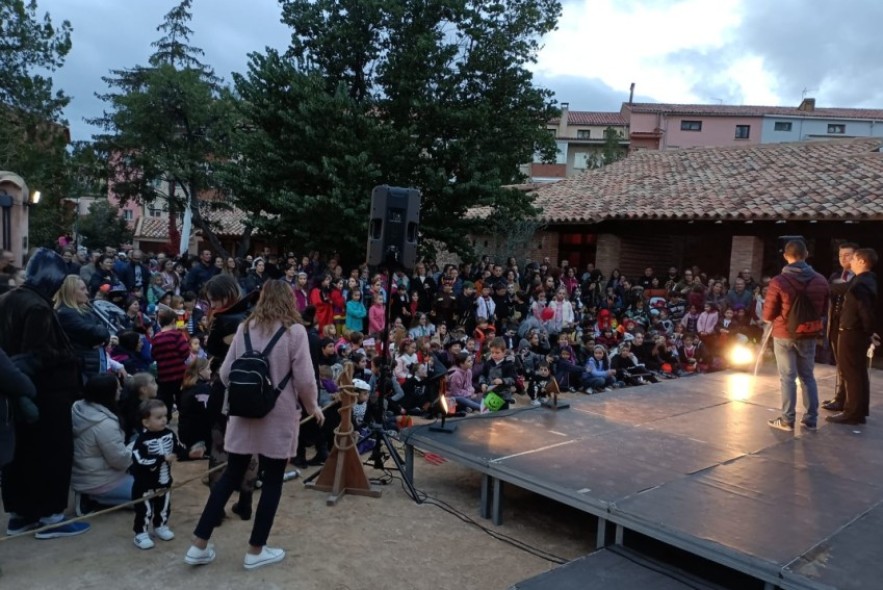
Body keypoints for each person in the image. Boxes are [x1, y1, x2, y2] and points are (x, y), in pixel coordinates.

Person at [184, 279, 324, 569]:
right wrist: (313, 407)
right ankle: (255, 550)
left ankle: (198, 545)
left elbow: (224, 375)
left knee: (231, 475)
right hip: (279, 414)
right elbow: (306, 380)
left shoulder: (245, 328)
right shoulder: (295, 331)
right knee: (272, 481)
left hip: (242, 413)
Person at [0, 248, 90, 538]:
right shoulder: (37, 307)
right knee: (53, 454)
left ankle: (20, 515)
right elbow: (36, 354)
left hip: (17, 392)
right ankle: (52, 517)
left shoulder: (7, 300)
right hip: (46, 395)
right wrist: (68, 355)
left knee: (21, 455)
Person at [763, 240, 829, 431]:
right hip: (808, 333)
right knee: (808, 376)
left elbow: (768, 315)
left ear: (785, 256)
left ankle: (787, 419)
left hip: (784, 333)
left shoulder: (778, 282)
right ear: (806, 254)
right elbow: (824, 310)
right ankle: (810, 419)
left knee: (787, 378)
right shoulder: (820, 280)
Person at [131, 399, 193, 549]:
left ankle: (160, 526)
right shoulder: (142, 440)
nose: (164, 419)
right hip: (144, 484)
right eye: (158, 418)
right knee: (144, 509)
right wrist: (160, 458)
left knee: (164, 506)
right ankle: (140, 533)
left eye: (165, 415)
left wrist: (190, 453)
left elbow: (179, 448)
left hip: (164, 482)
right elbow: (139, 460)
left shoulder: (170, 434)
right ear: (146, 422)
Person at [827, 248, 879, 425]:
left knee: (851, 373)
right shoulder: (862, 280)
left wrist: (869, 331)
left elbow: (865, 310)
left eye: (855, 259)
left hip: (852, 332)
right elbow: (839, 288)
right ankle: (858, 410)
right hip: (855, 332)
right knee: (857, 372)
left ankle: (852, 413)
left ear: (863, 262)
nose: (851, 262)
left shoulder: (863, 283)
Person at [71, 374, 134, 516]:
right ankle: (94, 499)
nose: (121, 389)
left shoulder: (79, 408)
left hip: (85, 475)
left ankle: (92, 495)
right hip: (101, 481)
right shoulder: (104, 424)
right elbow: (120, 461)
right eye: (117, 388)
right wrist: (134, 447)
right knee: (152, 492)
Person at [54, 275, 112, 383]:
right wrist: (103, 334)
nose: (87, 293)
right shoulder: (66, 313)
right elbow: (96, 333)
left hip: (92, 364)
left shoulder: (85, 310)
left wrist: (103, 334)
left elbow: (102, 329)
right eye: (82, 289)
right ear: (71, 292)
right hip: (82, 368)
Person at [822, 242, 858, 412]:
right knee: (839, 362)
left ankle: (846, 400)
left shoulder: (859, 276)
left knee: (848, 365)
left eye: (847, 255)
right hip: (834, 322)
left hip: (850, 326)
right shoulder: (836, 275)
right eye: (840, 255)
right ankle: (840, 396)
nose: (843, 258)